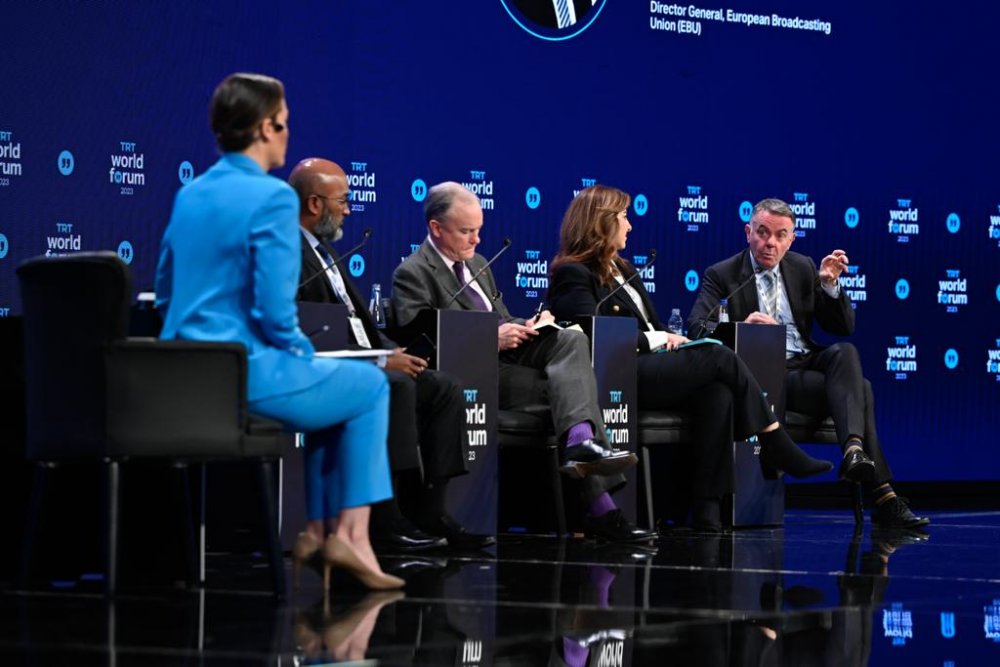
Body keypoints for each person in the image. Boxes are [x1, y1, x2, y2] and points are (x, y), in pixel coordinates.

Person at [155, 73, 402, 590]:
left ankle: (315, 532)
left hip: (184, 373)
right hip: (245, 369)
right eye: (285, 123)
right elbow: (274, 312)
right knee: (370, 387)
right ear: (266, 127)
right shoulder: (272, 199)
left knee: (332, 395)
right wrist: (301, 355)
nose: (288, 133)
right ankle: (351, 536)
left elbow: (164, 294)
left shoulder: (190, 194)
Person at [547, 185, 834, 531]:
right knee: (718, 355)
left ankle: (707, 510)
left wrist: (670, 339)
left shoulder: (623, 269)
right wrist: (658, 338)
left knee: (717, 392)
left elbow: (650, 324)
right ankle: (774, 440)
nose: (630, 225)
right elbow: (587, 330)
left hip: (652, 365)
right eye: (623, 217)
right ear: (601, 223)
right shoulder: (574, 272)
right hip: (620, 373)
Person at [392, 182, 653, 543]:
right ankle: (601, 506)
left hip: (509, 359)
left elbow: (500, 318)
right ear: (436, 228)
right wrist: (490, 338)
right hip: (470, 374)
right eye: (466, 231)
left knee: (570, 338)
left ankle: (581, 444)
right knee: (572, 395)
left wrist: (529, 324)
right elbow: (421, 342)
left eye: (479, 230)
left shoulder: (478, 265)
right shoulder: (413, 272)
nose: (477, 240)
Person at [687, 197, 929, 530]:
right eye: (762, 232)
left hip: (802, 365)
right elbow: (697, 327)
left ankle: (854, 451)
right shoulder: (723, 274)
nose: (770, 243)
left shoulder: (802, 267)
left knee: (845, 351)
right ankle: (884, 495)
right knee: (863, 389)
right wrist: (742, 328)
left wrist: (829, 285)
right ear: (748, 232)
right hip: (761, 376)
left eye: (780, 235)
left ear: (791, 239)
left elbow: (843, 326)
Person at [290, 157, 492, 551]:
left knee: (444, 387)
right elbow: (309, 330)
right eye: (342, 200)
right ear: (315, 204)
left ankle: (432, 510)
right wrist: (379, 361)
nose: (349, 209)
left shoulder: (324, 252)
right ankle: (386, 517)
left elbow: (357, 322)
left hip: (364, 359)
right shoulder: (290, 253)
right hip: (326, 369)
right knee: (398, 386)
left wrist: (387, 349)